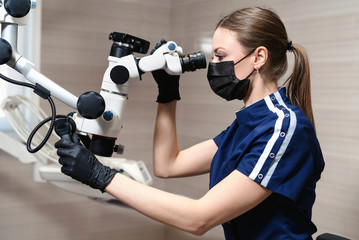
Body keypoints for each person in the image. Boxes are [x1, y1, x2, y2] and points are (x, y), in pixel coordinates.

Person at [54, 7, 325, 240]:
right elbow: (168, 165)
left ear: (258, 58)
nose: (213, 64)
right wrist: (168, 93)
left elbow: (199, 219)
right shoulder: (249, 124)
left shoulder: (283, 127)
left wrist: (99, 175)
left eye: (220, 55)